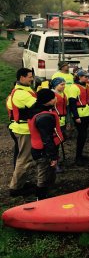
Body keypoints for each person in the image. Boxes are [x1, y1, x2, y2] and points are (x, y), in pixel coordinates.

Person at [28, 89, 63, 200]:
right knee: (43, 175)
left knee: (49, 173)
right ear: (48, 101)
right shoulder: (44, 117)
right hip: (43, 151)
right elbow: (47, 139)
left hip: (41, 149)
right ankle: (40, 198)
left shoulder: (37, 109)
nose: (56, 98)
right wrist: (53, 157)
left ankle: (47, 192)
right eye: (53, 97)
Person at [7, 68, 37, 197]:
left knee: (20, 157)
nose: (32, 79)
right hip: (23, 130)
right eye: (30, 77)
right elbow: (38, 105)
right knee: (24, 159)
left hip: (18, 128)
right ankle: (16, 188)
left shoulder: (22, 90)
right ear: (22, 77)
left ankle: (21, 183)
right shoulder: (21, 93)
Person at [68, 69, 89, 165]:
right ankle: (78, 157)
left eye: (87, 77)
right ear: (80, 77)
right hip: (79, 115)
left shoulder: (87, 86)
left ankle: (80, 155)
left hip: (86, 113)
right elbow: (72, 103)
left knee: (84, 135)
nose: (87, 78)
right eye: (85, 77)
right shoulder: (74, 87)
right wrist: (76, 116)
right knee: (82, 135)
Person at [50, 77, 68, 173]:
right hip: (55, 122)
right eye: (62, 84)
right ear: (56, 85)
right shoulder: (51, 95)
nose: (64, 86)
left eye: (64, 84)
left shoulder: (63, 94)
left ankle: (57, 160)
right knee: (55, 143)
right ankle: (54, 163)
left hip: (62, 121)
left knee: (60, 140)